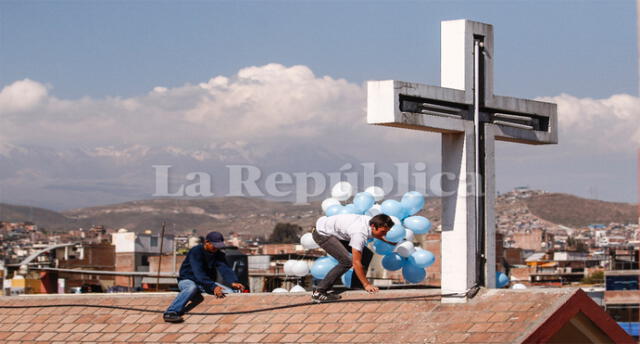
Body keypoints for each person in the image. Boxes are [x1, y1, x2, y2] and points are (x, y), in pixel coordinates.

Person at [311, 213, 396, 303]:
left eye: (386, 232)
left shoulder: (373, 222)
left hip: (335, 232)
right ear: (373, 226)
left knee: (367, 254)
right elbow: (356, 262)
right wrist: (367, 284)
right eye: (383, 232)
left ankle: (357, 284)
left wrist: (390, 241)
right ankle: (319, 292)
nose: (384, 234)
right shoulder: (359, 234)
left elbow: (378, 233)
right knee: (347, 261)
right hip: (322, 233)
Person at [163, 231, 245, 323]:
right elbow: (199, 273)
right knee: (191, 288)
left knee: (229, 292)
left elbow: (224, 269)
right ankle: (171, 312)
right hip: (188, 280)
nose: (216, 248)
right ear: (207, 242)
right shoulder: (196, 251)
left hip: (205, 283)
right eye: (214, 245)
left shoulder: (218, 254)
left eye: (218, 246)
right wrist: (213, 286)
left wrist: (233, 281)